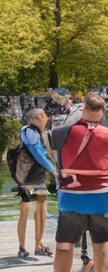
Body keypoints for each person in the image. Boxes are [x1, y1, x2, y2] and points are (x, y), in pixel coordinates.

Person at [49, 93, 108, 272]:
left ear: (83, 110)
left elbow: (52, 153)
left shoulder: (59, 133)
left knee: (64, 246)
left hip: (70, 199)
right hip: (101, 198)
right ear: (103, 112)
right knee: (101, 246)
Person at [12, 108, 56, 258]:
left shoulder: (30, 131)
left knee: (40, 212)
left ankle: (34, 245)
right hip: (31, 178)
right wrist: (52, 169)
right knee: (33, 211)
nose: (46, 119)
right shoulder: (30, 131)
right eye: (44, 116)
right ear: (38, 118)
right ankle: (25, 246)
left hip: (31, 176)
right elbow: (37, 152)